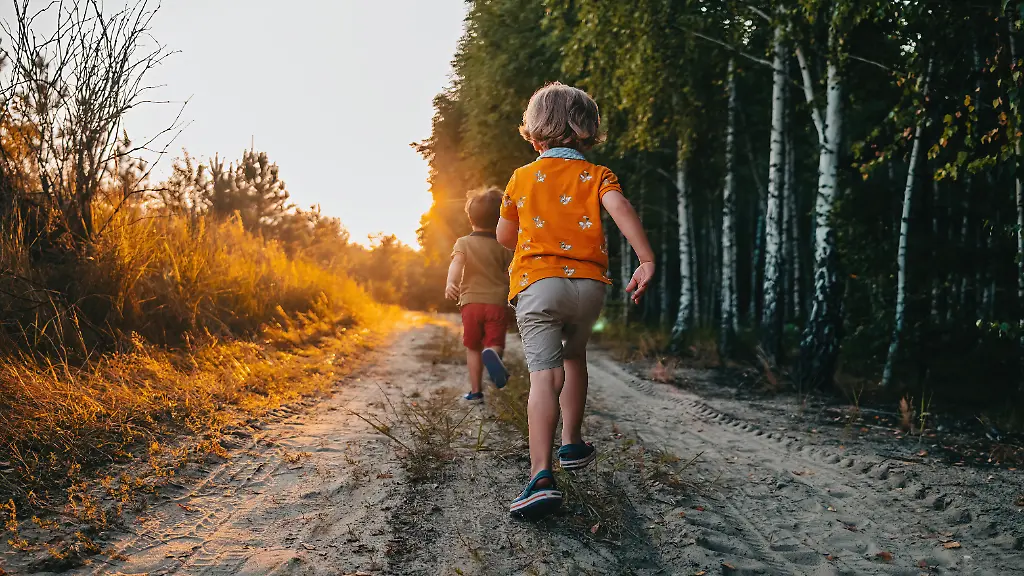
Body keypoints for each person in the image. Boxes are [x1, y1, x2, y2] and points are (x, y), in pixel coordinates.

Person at [496, 81, 655, 519]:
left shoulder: (522, 178)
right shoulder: (598, 175)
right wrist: (645, 258)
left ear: (533, 132)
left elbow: (504, 236)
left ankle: (541, 476)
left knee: (544, 377)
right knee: (576, 357)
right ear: (587, 130)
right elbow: (620, 209)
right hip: (588, 287)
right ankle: (572, 442)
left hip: (538, 284)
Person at [445, 187, 515, 401]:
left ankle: (476, 392)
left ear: (470, 217)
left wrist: (451, 282)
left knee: (473, 347)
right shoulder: (504, 246)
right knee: (494, 343)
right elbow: (510, 273)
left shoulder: (463, 242)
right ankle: (494, 355)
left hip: (471, 302)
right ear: (499, 218)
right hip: (496, 302)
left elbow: (457, 262)